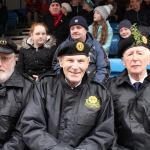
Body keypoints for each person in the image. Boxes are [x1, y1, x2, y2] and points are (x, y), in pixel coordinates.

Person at [18, 41, 114, 150]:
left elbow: (104, 133)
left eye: (81, 61)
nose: (75, 66)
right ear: (61, 62)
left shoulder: (101, 93)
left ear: (88, 63)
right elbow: (31, 126)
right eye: (70, 60)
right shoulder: (44, 86)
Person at [106, 25, 150, 149]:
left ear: (149, 59)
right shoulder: (110, 88)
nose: (135, 58)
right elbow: (107, 129)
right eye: (130, 54)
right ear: (123, 61)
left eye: (140, 53)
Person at [54, 16, 110, 83]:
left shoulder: (97, 47)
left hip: (91, 86)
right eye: (72, 28)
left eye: (78, 27)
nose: (75, 31)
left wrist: (95, 86)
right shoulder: (63, 47)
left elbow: (103, 68)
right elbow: (57, 67)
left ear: (86, 30)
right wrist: (65, 84)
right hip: (67, 87)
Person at [0, 38, 34, 150]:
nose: (0, 64)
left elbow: (24, 130)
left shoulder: (28, 88)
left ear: (14, 59)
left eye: (5, 58)